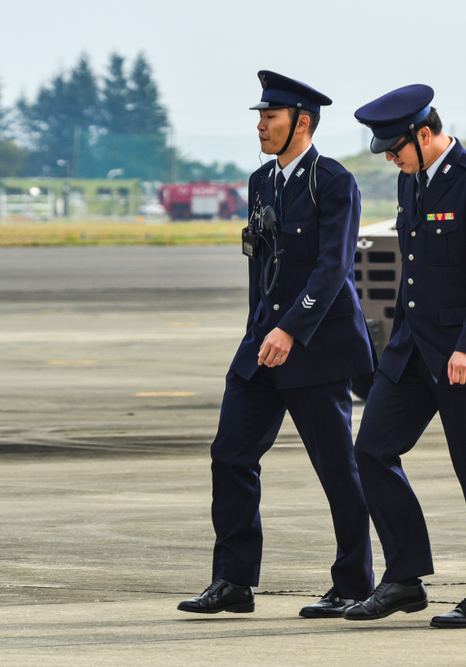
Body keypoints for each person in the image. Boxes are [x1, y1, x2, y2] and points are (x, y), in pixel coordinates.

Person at [178, 71, 375, 618]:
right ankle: (233, 581)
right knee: (230, 455)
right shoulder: (260, 181)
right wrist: (259, 330)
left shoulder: (334, 182)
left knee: (338, 469)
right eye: (260, 117)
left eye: (271, 117)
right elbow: (261, 264)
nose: (261, 125)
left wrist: (291, 328)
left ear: (302, 123)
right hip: (263, 345)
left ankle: (354, 583)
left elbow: (333, 268)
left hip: (316, 347)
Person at [345, 85, 466, 628]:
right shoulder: (411, 181)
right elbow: (417, 270)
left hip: (465, 352)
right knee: (372, 450)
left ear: (425, 135)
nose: (390, 158)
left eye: (395, 147)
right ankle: (404, 577)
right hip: (413, 350)